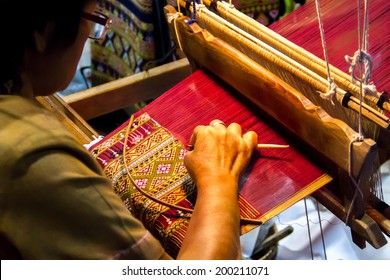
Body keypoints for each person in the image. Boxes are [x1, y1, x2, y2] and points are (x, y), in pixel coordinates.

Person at [0, 0, 258, 259]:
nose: (93, 33)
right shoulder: (33, 156)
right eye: (92, 18)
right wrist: (218, 177)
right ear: (42, 31)